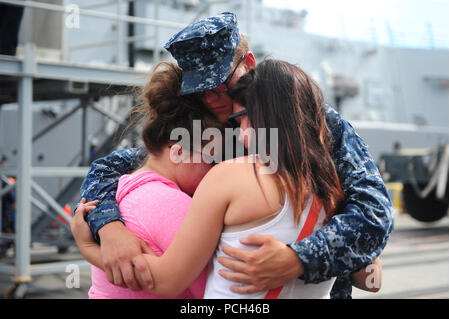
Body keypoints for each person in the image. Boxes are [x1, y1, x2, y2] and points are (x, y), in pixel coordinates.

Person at [76, 12, 393, 299]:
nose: (211, 98)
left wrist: (298, 259)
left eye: (220, 84)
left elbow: (375, 213)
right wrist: (110, 228)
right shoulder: (205, 126)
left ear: (249, 62)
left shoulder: (314, 120)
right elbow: (111, 168)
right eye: (199, 89)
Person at [73, 61, 224, 298]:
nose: (217, 170)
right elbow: (219, 293)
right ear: (179, 151)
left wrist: (91, 248)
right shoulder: (170, 204)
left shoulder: (123, 187)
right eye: (213, 160)